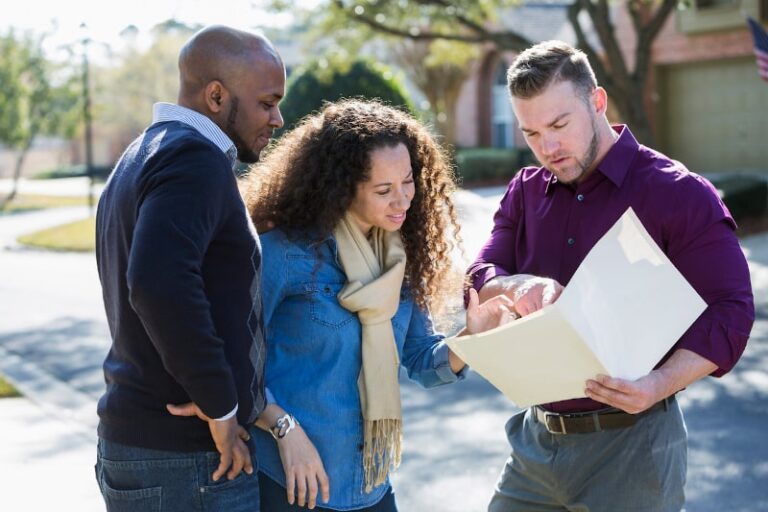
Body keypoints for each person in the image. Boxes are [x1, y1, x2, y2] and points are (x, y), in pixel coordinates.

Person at [467, 40, 755, 511]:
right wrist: (517, 284)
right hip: (535, 447)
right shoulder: (524, 191)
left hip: (634, 450)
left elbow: (731, 312)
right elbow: (482, 273)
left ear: (596, 101)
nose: (548, 147)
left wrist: (658, 384)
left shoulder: (677, 193)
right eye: (532, 133)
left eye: (559, 125)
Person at [241, 99, 515, 511]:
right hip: (292, 483)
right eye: (384, 190)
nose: (403, 201)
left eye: (408, 182)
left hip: (370, 484)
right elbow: (234, 361)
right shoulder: (284, 255)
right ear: (340, 188)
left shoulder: (399, 258)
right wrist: (284, 429)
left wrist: (470, 339)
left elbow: (423, 360)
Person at [94, 25, 285, 511]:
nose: (278, 118)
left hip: (149, 450)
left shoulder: (144, 152)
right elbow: (158, 282)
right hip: (187, 462)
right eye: (267, 102)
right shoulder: (193, 159)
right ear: (216, 96)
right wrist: (221, 406)